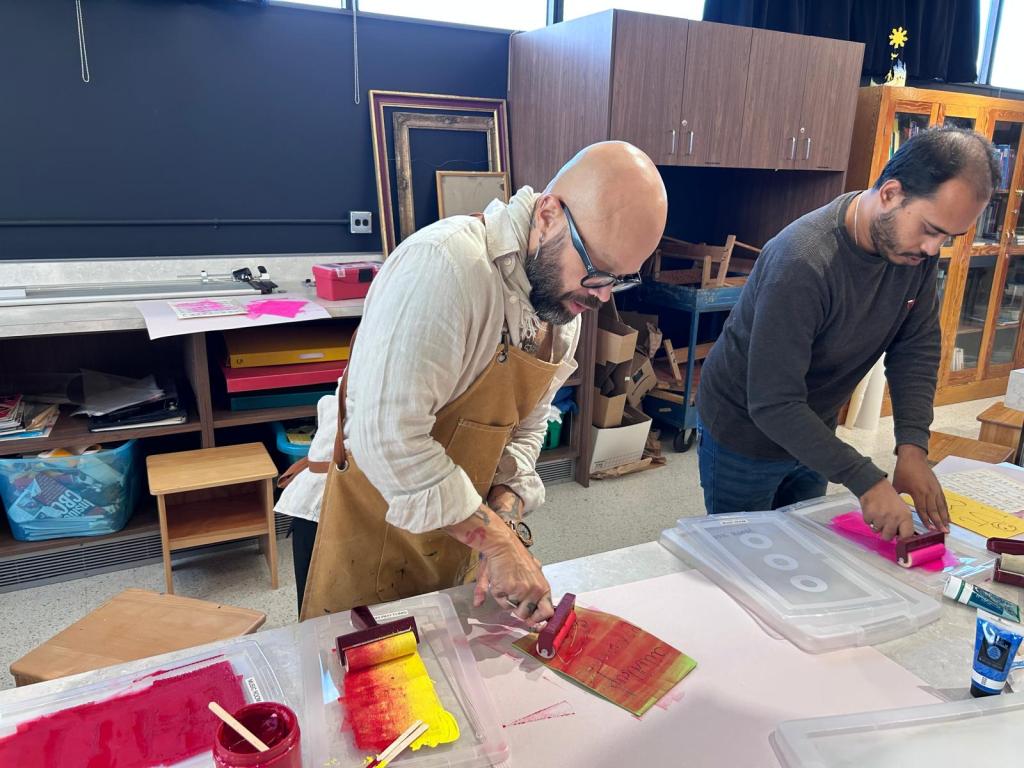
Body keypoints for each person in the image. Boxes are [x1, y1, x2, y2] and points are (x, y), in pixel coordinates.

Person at [288, 141, 667, 625]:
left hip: (453, 523)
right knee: (360, 666)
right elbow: (387, 439)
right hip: (356, 519)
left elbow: (527, 428)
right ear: (547, 215)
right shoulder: (444, 267)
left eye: (620, 279)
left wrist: (504, 512)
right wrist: (498, 542)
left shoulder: (559, 308)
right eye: (597, 271)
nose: (602, 297)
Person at [697, 127, 998, 541]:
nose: (933, 249)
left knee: (802, 545)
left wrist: (912, 446)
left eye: (948, 236)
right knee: (743, 555)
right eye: (930, 230)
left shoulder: (913, 254)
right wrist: (866, 479)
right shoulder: (801, 261)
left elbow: (915, 347)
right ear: (890, 193)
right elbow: (772, 401)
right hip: (744, 430)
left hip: (813, 428)